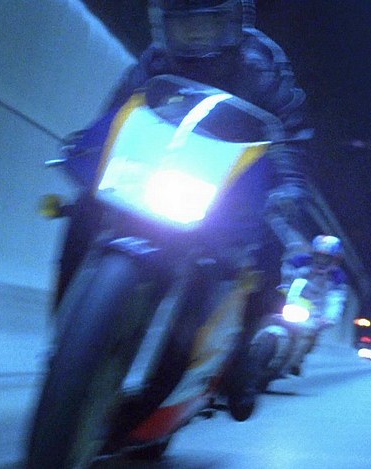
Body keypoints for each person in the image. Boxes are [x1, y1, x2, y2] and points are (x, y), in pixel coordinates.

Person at [54, 0, 314, 420]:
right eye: (183, 25)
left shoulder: (263, 65)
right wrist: (90, 144)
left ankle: (242, 363)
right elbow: (121, 109)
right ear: (164, 26)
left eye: (207, 23)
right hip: (161, 166)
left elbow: (289, 132)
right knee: (85, 207)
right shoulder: (155, 60)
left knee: (266, 250)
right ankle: (67, 335)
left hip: (228, 179)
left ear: (233, 22)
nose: (195, 35)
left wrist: (289, 186)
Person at [278, 234, 349, 376]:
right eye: (318, 256)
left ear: (335, 260)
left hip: (314, 311)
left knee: (309, 334)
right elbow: (286, 274)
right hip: (290, 300)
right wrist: (283, 287)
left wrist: (330, 317)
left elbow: (336, 299)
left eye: (326, 258)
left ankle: (295, 362)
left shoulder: (338, 278)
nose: (321, 261)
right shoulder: (299, 261)